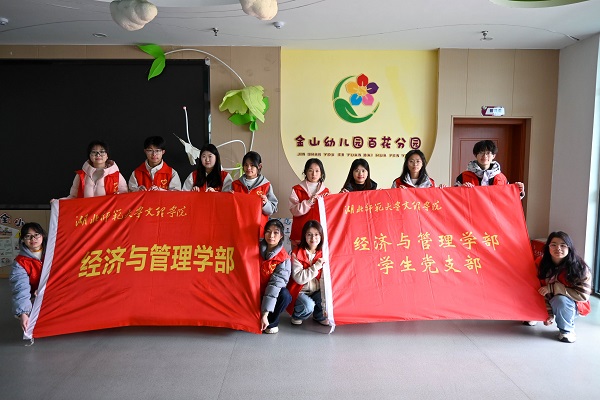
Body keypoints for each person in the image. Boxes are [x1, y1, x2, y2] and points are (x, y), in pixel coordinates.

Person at [528, 231, 592, 343]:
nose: (558, 248)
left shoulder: (580, 267)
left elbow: (583, 295)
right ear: (548, 247)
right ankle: (536, 314)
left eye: (563, 245)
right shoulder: (540, 263)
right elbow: (536, 288)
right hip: (547, 300)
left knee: (560, 300)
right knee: (528, 288)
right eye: (553, 245)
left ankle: (567, 330)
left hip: (570, 304)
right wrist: (547, 314)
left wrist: (553, 288)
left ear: (569, 248)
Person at [286, 220, 329, 326]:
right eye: (309, 234)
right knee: (308, 306)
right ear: (304, 236)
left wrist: (325, 303)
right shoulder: (296, 253)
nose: (313, 238)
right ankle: (297, 315)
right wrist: (316, 266)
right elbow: (299, 278)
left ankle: (319, 315)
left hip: (316, 291)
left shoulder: (324, 253)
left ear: (321, 236)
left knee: (328, 296)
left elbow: (325, 280)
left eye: (316, 234)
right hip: (300, 291)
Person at [9, 222, 48, 332]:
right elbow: (20, 288)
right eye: (28, 236)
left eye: (36, 235)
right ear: (22, 239)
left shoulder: (54, 252)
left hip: (55, 290)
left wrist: (46, 287)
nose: (33, 239)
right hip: (36, 297)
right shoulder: (20, 263)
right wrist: (23, 313)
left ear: (42, 235)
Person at [454, 140, 525, 198]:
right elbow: (454, 198)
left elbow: (508, 198)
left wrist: (519, 191)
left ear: (493, 156)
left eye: (488, 153)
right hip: (472, 211)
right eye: (481, 152)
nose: (484, 156)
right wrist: (461, 190)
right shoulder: (464, 176)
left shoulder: (502, 178)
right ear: (475, 155)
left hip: (494, 211)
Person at [259, 219, 292, 334]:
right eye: (268, 231)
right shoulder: (254, 249)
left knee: (285, 295)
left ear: (281, 235)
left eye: (276, 232)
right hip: (253, 294)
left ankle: (271, 321)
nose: (271, 236)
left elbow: (274, 286)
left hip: (270, 295)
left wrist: (265, 313)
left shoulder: (284, 259)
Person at [288, 158, 329, 246]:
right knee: (298, 254)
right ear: (305, 172)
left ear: (321, 173)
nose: (314, 174)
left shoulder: (326, 192)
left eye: (317, 171)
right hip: (300, 232)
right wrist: (308, 202)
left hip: (318, 235)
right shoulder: (297, 189)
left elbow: (329, 212)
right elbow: (294, 210)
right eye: (310, 170)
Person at [231, 151, 278, 220]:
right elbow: (229, 208)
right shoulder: (235, 185)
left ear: (259, 166)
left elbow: (272, 209)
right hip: (239, 224)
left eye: (252, 165)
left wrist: (265, 203)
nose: (248, 168)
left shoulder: (266, 185)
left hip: (258, 225)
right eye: (246, 165)